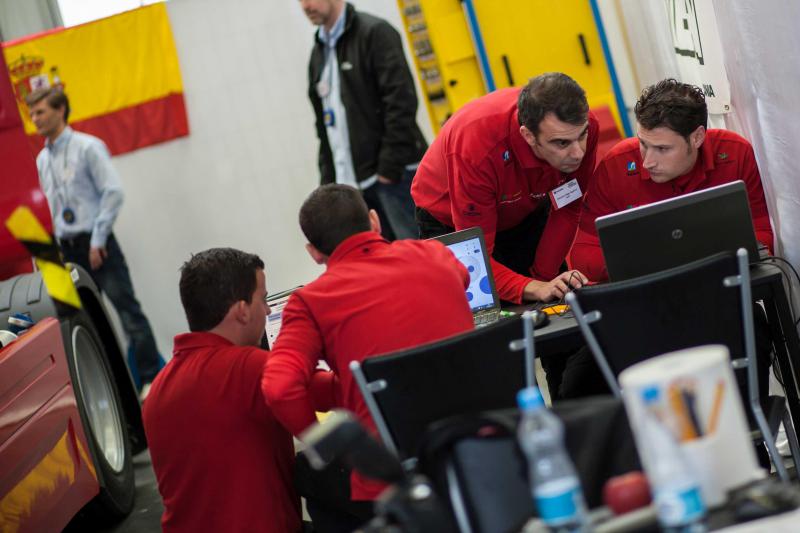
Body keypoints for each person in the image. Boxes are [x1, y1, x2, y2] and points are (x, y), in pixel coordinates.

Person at [263, 184, 474, 532]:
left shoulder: (311, 303)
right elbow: (462, 280)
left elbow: (279, 389)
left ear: (314, 252)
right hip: (474, 442)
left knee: (308, 473)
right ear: (374, 221)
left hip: (391, 471)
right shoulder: (435, 255)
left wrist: (330, 447)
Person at [143, 248, 335, 533]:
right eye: (264, 299)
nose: (269, 311)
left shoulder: (157, 390)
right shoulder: (249, 367)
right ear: (242, 311)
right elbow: (337, 391)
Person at [411, 72, 594, 304]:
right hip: (451, 218)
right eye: (562, 143)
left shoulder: (578, 125)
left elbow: (568, 207)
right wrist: (534, 287)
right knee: (487, 318)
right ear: (528, 135)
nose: (578, 153)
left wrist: (543, 280)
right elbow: (476, 258)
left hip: (525, 204)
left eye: (582, 136)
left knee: (557, 302)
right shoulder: (477, 149)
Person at [26, 87, 162, 393]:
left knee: (128, 313)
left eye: (40, 112)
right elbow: (48, 208)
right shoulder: (42, 160)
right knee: (82, 322)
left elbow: (113, 193)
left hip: (96, 244)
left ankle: (151, 379)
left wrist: (98, 239)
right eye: (32, 113)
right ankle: (114, 391)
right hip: (65, 249)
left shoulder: (88, 147)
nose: (35, 119)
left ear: (60, 110)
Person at [570, 78, 774, 280]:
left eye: (662, 149)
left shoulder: (735, 153)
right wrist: (646, 270)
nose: (647, 162)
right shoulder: (615, 166)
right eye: (643, 144)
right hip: (648, 296)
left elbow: (763, 231)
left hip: (724, 285)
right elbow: (583, 251)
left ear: (697, 138)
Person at [301, 0, 427, 240]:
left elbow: (402, 102)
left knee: (420, 255)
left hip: (394, 178)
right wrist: (328, 184)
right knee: (385, 266)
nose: (306, 6)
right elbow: (325, 128)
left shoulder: (375, 33)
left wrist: (388, 169)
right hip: (356, 188)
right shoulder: (318, 55)